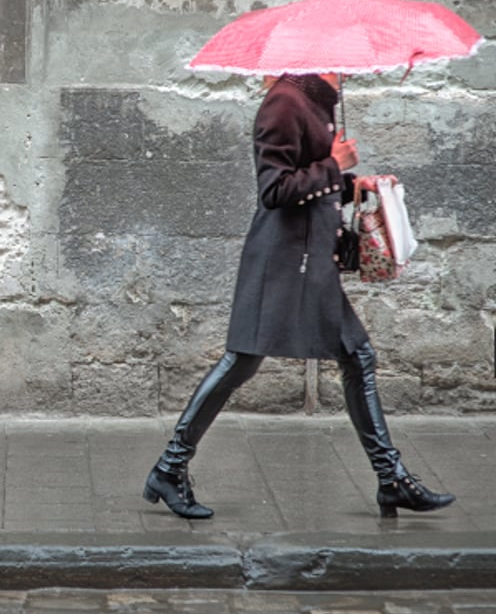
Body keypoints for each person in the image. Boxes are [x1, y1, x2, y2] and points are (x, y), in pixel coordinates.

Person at [142, 72, 454, 520]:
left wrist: (354, 184)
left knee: (358, 357)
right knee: (241, 361)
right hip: (284, 263)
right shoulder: (284, 103)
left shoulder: (313, 102)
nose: (344, 70)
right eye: (338, 61)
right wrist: (335, 165)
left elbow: (309, 184)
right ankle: (169, 468)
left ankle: (392, 479)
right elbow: (274, 190)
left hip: (309, 263)